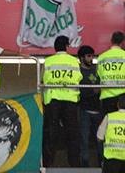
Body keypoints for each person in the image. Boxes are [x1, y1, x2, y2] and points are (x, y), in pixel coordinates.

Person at [43, 35, 82, 167]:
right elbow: (78, 78)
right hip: (70, 100)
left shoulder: (48, 61)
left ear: (55, 47)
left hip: (53, 100)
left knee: (51, 134)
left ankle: (48, 164)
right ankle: (74, 164)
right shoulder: (74, 61)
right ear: (66, 46)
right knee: (72, 134)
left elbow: (44, 79)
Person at [98, 31, 125, 113]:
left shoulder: (102, 57)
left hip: (107, 95)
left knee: (109, 120)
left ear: (111, 41)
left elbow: (99, 74)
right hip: (123, 96)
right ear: (122, 42)